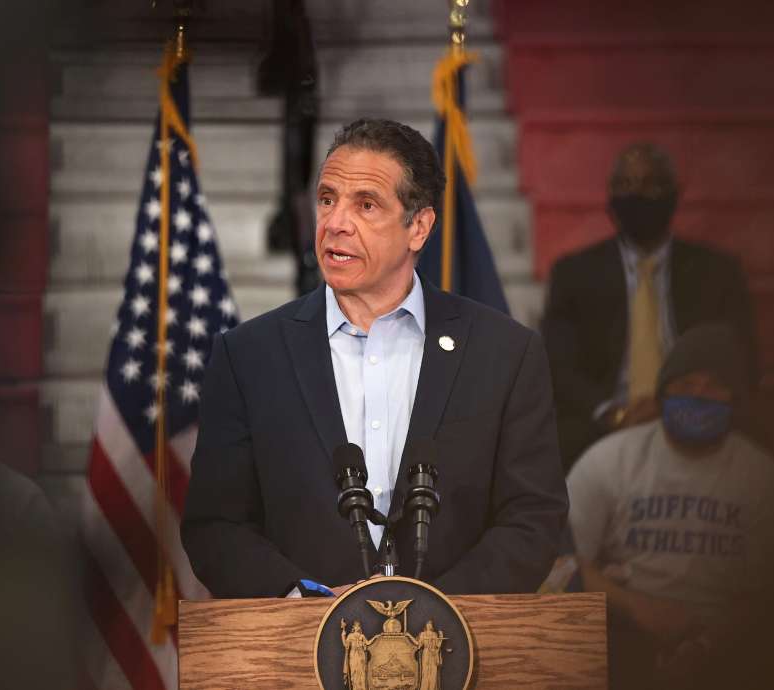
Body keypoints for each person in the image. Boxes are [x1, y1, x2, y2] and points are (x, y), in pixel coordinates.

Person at [181, 118, 568, 597]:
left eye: (365, 205)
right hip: (300, 649)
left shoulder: (505, 354)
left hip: (459, 649)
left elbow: (532, 518)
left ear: (419, 227)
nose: (336, 223)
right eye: (327, 199)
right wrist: (303, 604)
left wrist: (438, 614)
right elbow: (216, 526)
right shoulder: (247, 357)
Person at [566, 324, 774, 688]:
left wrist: (707, 644)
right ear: (662, 392)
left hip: (730, 649)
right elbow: (562, 561)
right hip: (622, 632)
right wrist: (637, 609)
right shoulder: (609, 461)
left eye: (714, 385)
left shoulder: (763, 479)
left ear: (735, 399)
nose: (699, 396)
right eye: (686, 385)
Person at [541, 142, 757, 470]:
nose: (637, 194)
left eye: (650, 185)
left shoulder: (717, 271)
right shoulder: (574, 273)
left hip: (697, 408)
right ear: (610, 197)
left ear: (674, 194)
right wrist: (615, 413)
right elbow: (558, 367)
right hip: (605, 420)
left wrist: (678, 404)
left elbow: (741, 357)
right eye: (625, 185)